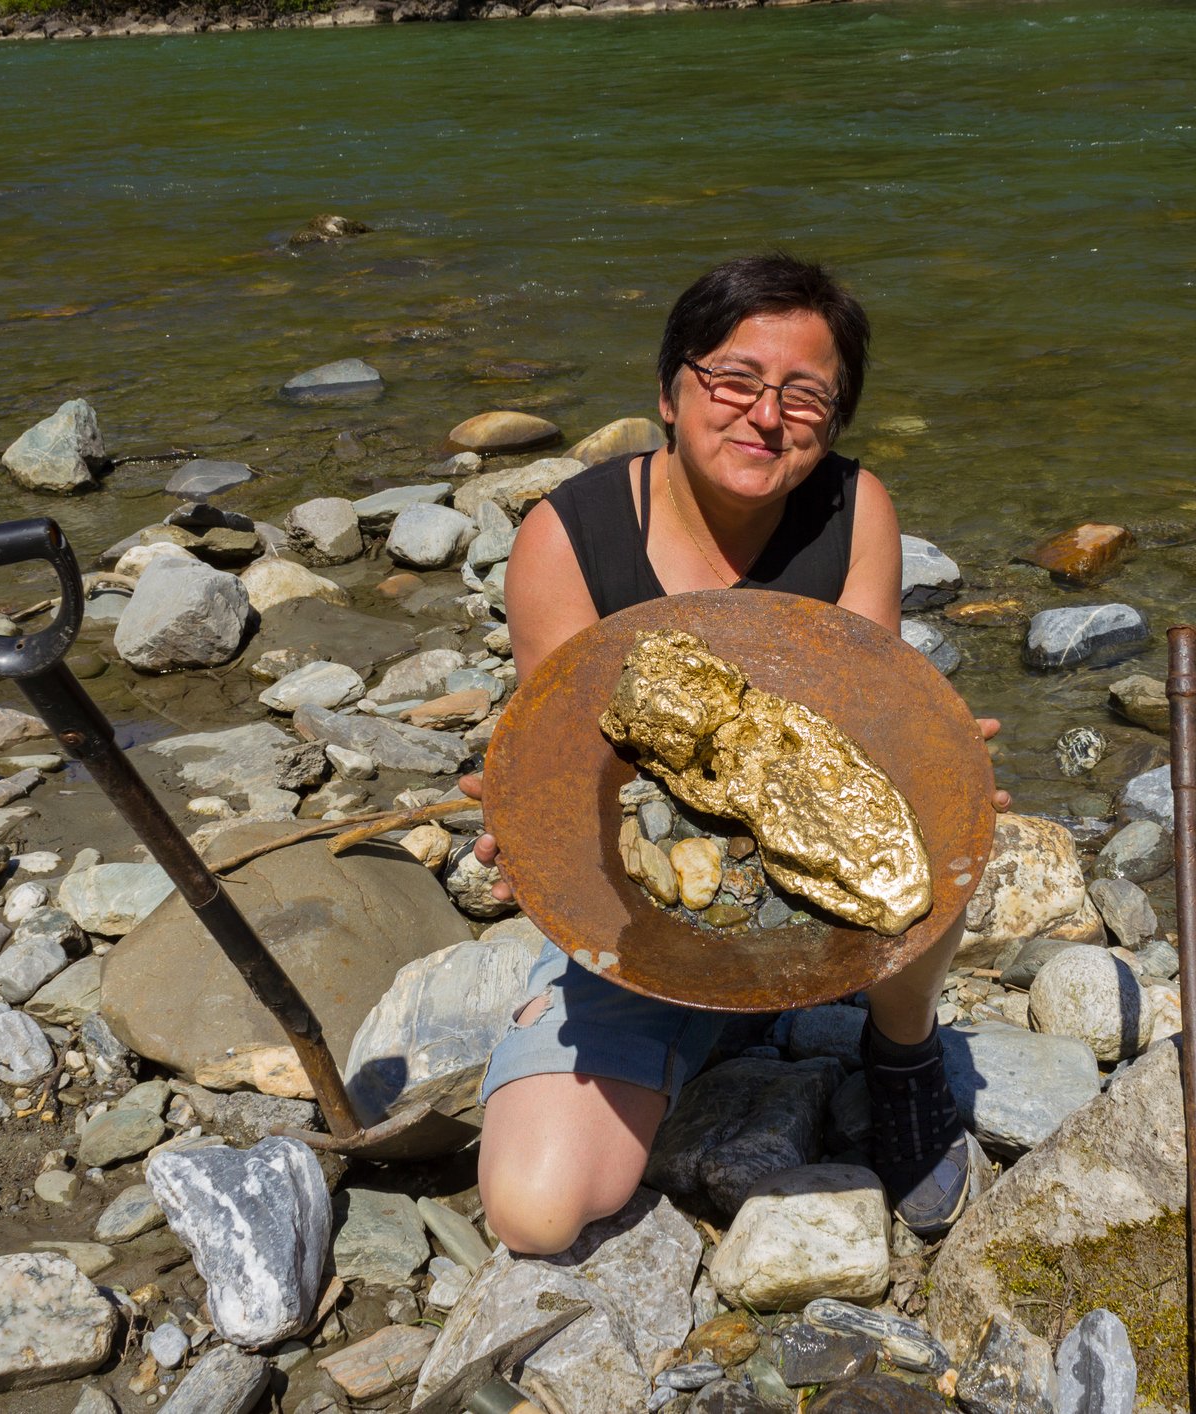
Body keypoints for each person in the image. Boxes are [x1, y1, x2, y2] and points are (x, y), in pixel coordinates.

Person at [460, 253, 1006, 1259]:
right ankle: (688, 1023)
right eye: (734, 379)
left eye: (807, 395)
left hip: (810, 897)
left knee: (948, 808)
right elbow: (577, 774)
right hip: (641, 912)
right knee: (533, 1213)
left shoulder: (853, 510)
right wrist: (527, 822)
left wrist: (929, 757)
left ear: (835, 420)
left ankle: (900, 1049)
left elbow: (857, 720)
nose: (767, 416)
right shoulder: (567, 538)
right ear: (669, 390)